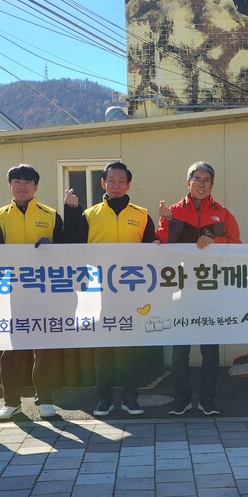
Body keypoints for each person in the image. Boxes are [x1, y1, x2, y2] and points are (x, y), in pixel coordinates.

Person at [64, 161, 156, 417]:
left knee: (130, 346)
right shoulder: (89, 215)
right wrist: (71, 211)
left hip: (131, 291)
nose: (116, 185)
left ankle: (130, 397)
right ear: (103, 183)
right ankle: (103, 398)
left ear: (128, 184)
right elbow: (72, 247)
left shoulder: (142, 215)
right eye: (111, 181)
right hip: (98, 291)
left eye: (121, 181)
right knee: (102, 347)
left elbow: (153, 249)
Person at [158, 161, 242, 417]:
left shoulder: (223, 213)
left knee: (209, 349)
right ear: (188, 183)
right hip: (180, 289)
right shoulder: (172, 211)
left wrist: (215, 241)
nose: (201, 183)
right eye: (197, 178)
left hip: (211, 289)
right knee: (180, 350)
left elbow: (237, 246)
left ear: (212, 185)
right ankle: (181, 399)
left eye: (206, 179)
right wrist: (164, 222)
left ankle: (208, 399)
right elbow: (162, 247)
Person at [0, 164, 65, 421]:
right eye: (17, 180)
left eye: (28, 181)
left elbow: (67, 251)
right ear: (10, 185)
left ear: (36, 187)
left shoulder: (51, 215)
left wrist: (53, 247)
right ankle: (11, 402)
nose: (22, 185)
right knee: (11, 349)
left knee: (44, 348)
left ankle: (45, 399)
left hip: (43, 293)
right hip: (9, 293)